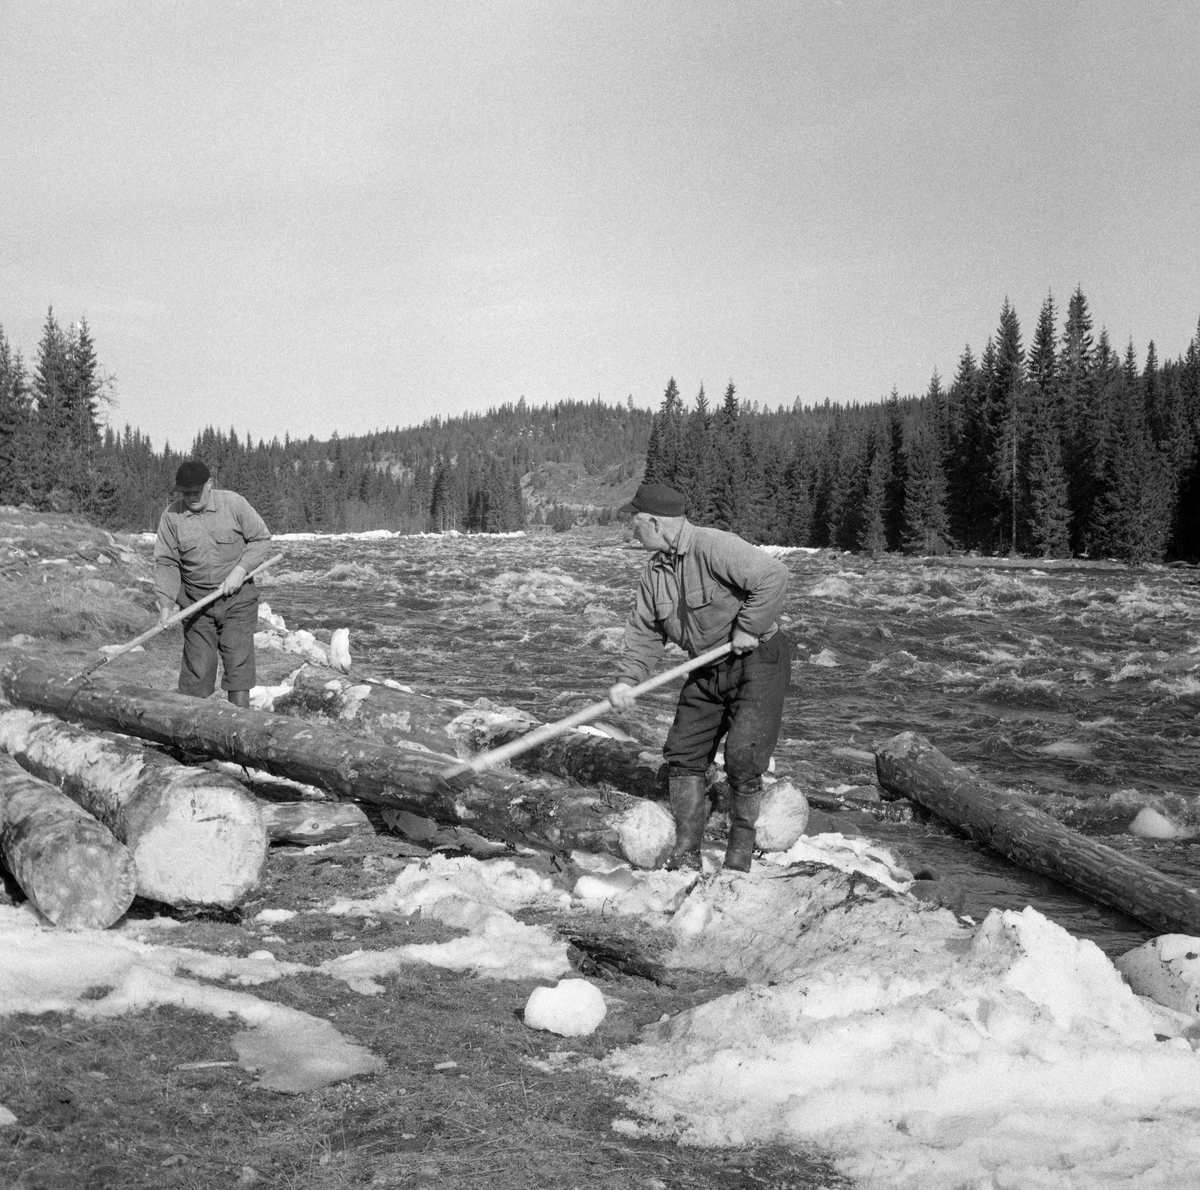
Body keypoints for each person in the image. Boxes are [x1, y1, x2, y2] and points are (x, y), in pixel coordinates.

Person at [609, 482, 792, 873]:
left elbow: (774, 576)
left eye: (635, 522)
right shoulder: (653, 572)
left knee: (743, 757)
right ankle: (687, 854)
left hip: (758, 657)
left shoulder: (713, 546)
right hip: (707, 666)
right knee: (684, 754)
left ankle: (739, 859)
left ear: (655, 523)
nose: (632, 530)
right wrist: (629, 679)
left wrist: (750, 625)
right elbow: (644, 631)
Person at [153, 460, 273, 708]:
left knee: (238, 662)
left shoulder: (234, 504)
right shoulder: (172, 517)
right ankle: (190, 733)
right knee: (197, 670)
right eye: (186, 493)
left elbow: (261, 539)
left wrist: (240, 571)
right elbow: (166, 562)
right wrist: (166, 604)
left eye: (196, 491)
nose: (192, 497)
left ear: (210, 484)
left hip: (237, 600)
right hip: (196, 604)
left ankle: (238, 727)